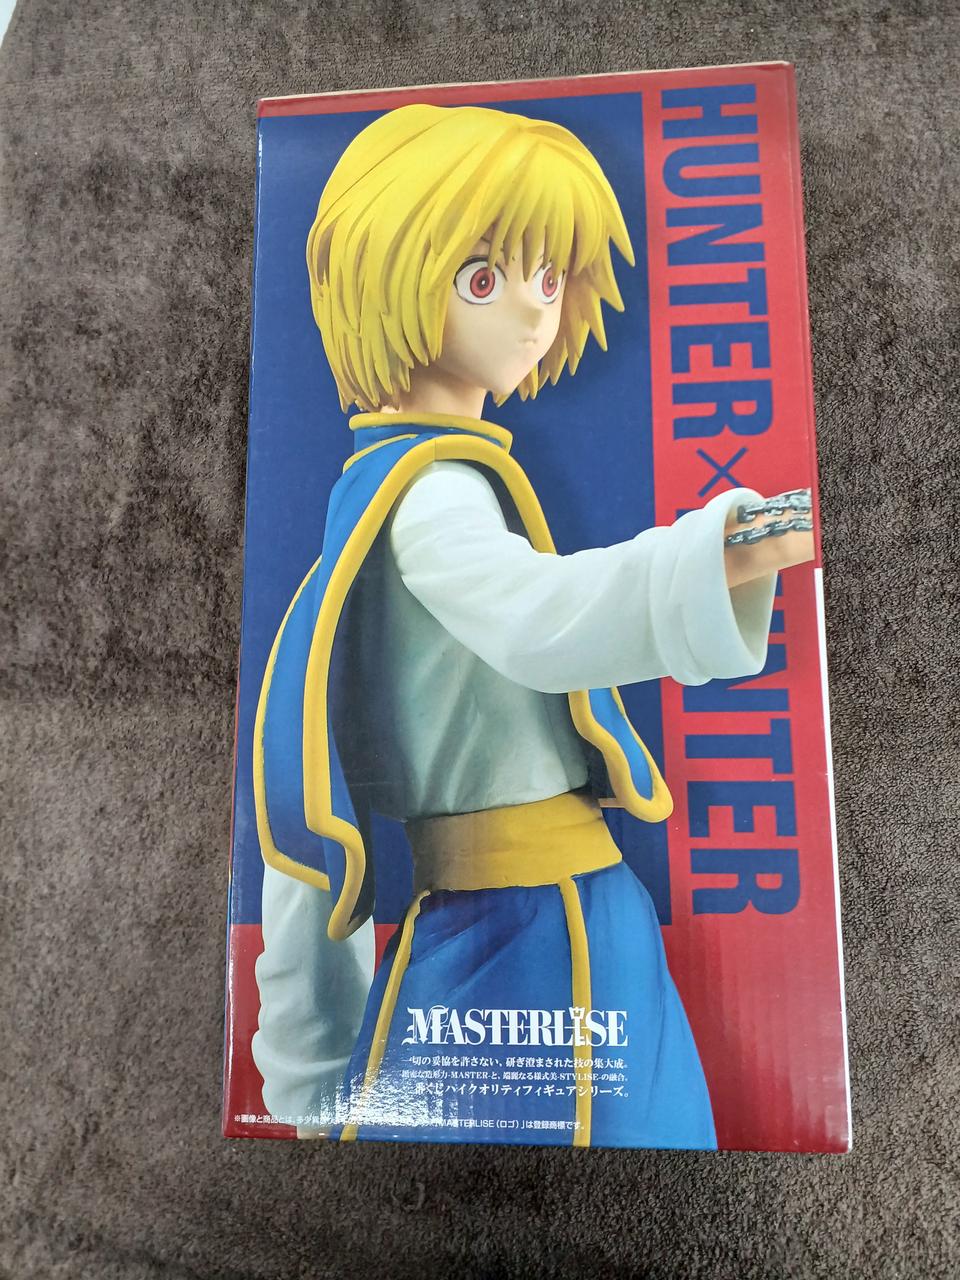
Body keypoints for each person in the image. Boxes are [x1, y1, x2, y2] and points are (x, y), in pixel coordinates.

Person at [251, 102, 813, 1148]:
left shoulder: (375, 505)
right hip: (533, 931)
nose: (533, 311)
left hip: (504, 928)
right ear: (389, 283)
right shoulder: (430, 492)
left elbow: (300, 800)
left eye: (549, 278)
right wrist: (728, 548)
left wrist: (305, 1067)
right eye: (485, 279)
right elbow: (537, 620)